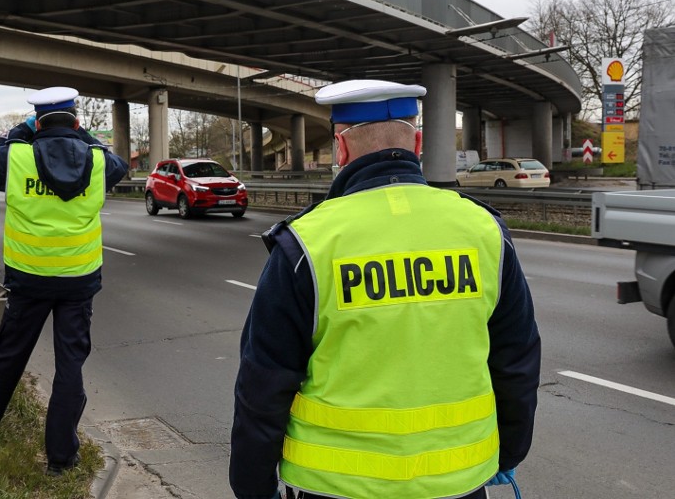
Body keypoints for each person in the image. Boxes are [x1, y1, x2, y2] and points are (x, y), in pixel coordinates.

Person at [229, 79, 541, 499]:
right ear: (418, 143)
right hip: (459, 483)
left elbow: (263, 384)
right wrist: (509, 453)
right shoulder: (483, 230)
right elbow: (516, 358)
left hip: (335, 486)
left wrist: (253, 487)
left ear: (340, 149)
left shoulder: (307, 243)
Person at [0, 86, 128, 476]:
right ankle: (61, 458)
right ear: (77, 122)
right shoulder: (98, 161)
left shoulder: (16, 156)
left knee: (10, 356)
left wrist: (19, 130)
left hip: (29, 279)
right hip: (78, 281)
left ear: (37, 120)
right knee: (70, 367)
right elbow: (119, 162)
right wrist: (81, 135)